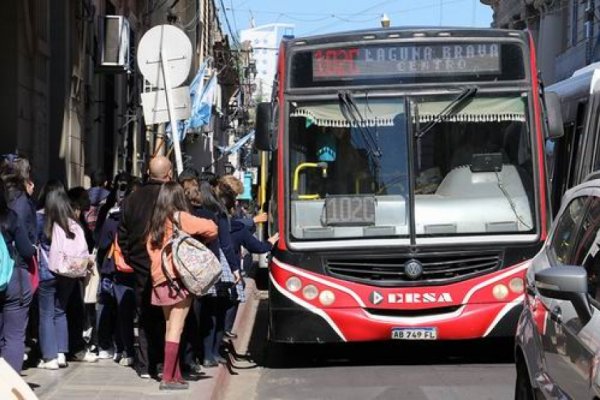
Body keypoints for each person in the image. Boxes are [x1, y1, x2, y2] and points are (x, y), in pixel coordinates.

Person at [146, 182, 217, 390]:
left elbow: (149, 249)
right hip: (177, 278)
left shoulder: (155, 222)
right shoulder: (179, 217)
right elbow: (212, 228)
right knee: (177, 328)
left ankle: (175, 374)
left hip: (159, 278)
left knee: (170, 327)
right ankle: (168, 377)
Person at [118, 156, 173, 378]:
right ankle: (161, 364)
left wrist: (133, 259)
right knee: (168, 316)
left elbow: (122, 235)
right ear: (168, 174)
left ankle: (144, 364)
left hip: (141, 265)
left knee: (144, 314)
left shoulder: (131, 199)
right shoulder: (172, 196)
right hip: (168, 265)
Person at [181, 172, 239, 369]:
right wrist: (235, 268)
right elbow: (225, 243)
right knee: (214, 311)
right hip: (210, 266)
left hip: (185, 268)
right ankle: (209, 353)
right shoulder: (214, 214)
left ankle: (199, 355)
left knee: (197, 314)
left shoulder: (184, 213)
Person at [0, 179, 35, 373]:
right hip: (13, 281)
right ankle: (8, 387)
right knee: (13, 337)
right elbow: (27, 251)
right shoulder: (10, 217)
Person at [36, 180, 70, 369]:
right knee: (60, 311)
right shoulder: (69, 219)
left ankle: (49, 357)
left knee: (46, 313)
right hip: (67, 272)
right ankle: (61, 353)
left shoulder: (39, 218)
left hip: (46, 271)